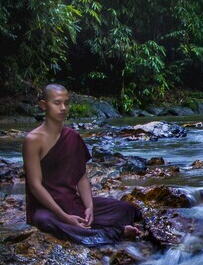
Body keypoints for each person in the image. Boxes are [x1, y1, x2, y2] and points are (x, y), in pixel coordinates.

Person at [23, 83, 141, 245]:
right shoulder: (33, 140)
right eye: (57, 103)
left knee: (126, 208)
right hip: (47, 208)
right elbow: (35, 186)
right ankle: (116, 232)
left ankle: (89, 223)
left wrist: (89, 207)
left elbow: (81, 178)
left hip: (71, 201)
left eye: (66, 103)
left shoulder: (73, 137)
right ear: (44, 105)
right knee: (46, 222)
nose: (63, 108)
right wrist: (64, 216)